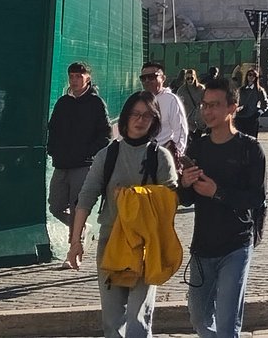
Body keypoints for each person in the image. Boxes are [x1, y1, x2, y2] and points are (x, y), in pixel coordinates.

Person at [67, 92, 179, 338]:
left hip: (145, 245)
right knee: (112, 321)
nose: (140, 120)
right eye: (135, 114)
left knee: (138, 321)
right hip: (110, 243)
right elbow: (85, 198)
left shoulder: (160, 157)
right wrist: (76, 242)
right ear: (125, 118)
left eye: (147, 115)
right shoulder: (107, 155)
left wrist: (135, 197)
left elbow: (171, 201)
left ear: (155, 120)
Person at [180, 77, 267, 338]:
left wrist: (218, 192)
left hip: (236, 245)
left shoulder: (250, 149)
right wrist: (184, 183)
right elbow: (185, 199)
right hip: (202, 246)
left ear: (233, 107)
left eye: (215, 105)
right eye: (205, 105)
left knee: (228, 323)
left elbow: (256, 199)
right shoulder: (198, 147)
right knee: (198, 317)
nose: (207, 111)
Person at [47, 61, 111, 240]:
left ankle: (74, 249)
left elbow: (106, 134)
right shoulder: (63, 102)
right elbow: (53, 128)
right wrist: (53, 150)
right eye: (71, 76)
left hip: (83, 165)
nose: (74, 80)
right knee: (55, 206)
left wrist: (89, 154)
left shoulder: (96, 103)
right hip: (61, 164)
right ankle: (81, 228)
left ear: (88, 78)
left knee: (77, 207)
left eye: (79, 76)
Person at [140, 61, 190, 163]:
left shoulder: (171, 100)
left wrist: (174, 157)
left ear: (163, 78)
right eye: (143, 78)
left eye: (151, 77)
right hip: (142, 158)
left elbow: (180, 132)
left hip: (164, 158)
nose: (147, 81)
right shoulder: (140, 100)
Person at [234, 69, 268, 139]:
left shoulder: (259, 90)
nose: (251, 77)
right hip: (240, 118)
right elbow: (236, 102)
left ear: (256, 78)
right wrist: (237, 109)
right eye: (249, 75)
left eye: (254, 75)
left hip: (252, 118)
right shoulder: (241, 90)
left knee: (251, 140)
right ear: (246, 76)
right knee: (239, 140)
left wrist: (258, 113)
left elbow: (265, 104)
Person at [177, 69, 207, 134]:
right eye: (188, 78)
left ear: (195, 77)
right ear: (185, 78)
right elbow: (178, 106)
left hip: (200, 119)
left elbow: (206, 102)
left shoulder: (201, 88)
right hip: (188, 120)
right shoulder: (182, 90)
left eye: (192, 78)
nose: (190, 80)